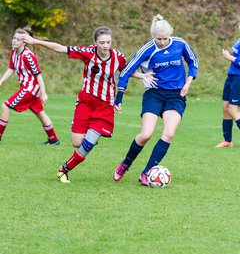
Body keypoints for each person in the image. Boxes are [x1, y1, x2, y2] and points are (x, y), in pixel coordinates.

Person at [22, 26, 132, 183]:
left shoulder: (118, 57)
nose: (105, 45)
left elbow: (128, 70)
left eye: (108, 42)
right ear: (95, 43)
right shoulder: (88, 53)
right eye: (102, 42)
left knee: (88, 144)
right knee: (77, 142)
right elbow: (60, 48)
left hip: (105, 106)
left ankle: (64, 169)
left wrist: (143, 75)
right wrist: (34, 41)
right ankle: (91, 136)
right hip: (86, 102)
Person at [113, 14, 199, 186]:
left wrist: (188, 82)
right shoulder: (147, 49)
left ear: (170, 35)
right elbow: (126, 70)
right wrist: (120, 96)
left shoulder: (180, 44)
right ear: (153, 36)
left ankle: (146, 173)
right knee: (146, 134)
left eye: (165, 38)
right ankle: (126, 163)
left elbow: (193, 61)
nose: (161, 42)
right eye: (158, 39)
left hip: (176, 95)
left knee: (169, 133)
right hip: (154, 94)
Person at [0, 28, 60, 145]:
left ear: (25, 42)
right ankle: (54, 140)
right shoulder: (14, 51)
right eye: (14, 38)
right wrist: (1, 80)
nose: (14, 41)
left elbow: (39, 75)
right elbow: (11, 68)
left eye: (18, 40)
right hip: (27, 88)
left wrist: (44, 93)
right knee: (40, 113)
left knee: (5, 106)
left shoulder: (28, 56)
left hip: (30, 89)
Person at [216, 22, 240, 148]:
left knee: (232, 109)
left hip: (238, 78)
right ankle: (227, 141)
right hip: (231, 76)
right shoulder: (238, 40)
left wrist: (228, 57)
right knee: (225, 108)